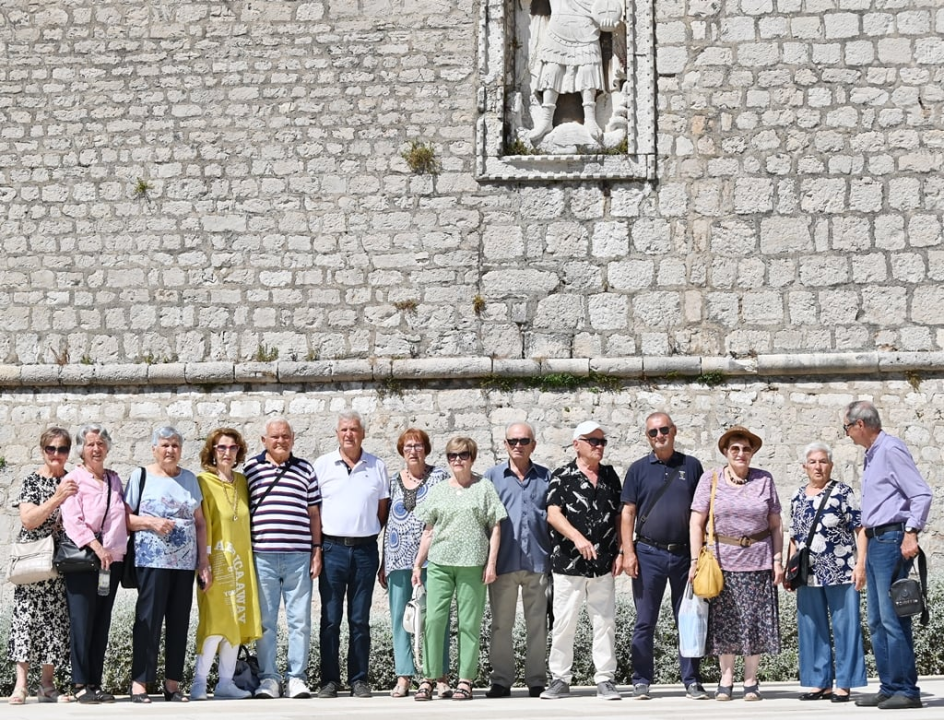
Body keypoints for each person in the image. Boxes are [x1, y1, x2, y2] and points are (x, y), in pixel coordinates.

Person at [844, 400, 932, 710]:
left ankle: (907, 690)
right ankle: (890, 686)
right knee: (878, 620)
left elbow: (921, 493)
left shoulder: (891, 449)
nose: (848, 435)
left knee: (893, 618)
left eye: (847, 428)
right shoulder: (873, 454)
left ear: (861, 425)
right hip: (878, 539)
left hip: (892, 537)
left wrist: (911, 532)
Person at [688, 425, 783, 702]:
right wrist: (695, 559)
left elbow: (776, 524)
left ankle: (751, 680)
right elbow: (696, 522)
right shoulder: (711, 478)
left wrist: (777, 559)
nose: (741, 453)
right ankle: (726, 677)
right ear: (726, 452)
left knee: (754, 622)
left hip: (758, 560)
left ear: (752, 453)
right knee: (724, 624)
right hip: (721, 563)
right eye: (735, 449)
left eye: (746, 449)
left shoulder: (764, 480)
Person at [411, 436, 507, 702]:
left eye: (463, 455)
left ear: (472, 457)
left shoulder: (484, 487)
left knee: (469, 624)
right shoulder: (439, 490)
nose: (457, 460)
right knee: (433, 621)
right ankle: (429, 678)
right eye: (452, 456)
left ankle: (465, 679)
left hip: (472, 565)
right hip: (440, 564)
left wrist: (491, 563)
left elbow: (495, 527)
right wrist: (418, 564)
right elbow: (428, 530)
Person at [621, 412, 706, 700]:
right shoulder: (638, 469)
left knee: (689, 619)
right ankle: (641, 680)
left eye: (664, 430)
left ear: (674, 430)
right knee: (645, 620)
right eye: (653, 432)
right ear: (647, 437)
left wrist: (700, 555)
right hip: (647, 554)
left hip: (684, 556)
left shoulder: (692, 466)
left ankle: (692, 680)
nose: (659, 436)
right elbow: (628, 512)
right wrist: (628, 552)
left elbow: (702, 513)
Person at [126, 426, 211, 704]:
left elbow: (200, 523)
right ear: (154, 449)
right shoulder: (141, 477)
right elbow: (125, 519)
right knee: (148, 622)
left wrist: (203, 562)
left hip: (184, 565)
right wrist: (151, 522)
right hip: (151, 562)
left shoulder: (189, 479)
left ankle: (172, 684)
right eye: (164, 445)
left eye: (175, 445)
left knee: (179, 622)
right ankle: (140, 683)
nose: (170, 450)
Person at [541, 421, 623, 701]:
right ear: (577, 444)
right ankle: (560, 679)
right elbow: (553, 514)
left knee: (605, 622)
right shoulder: (562, 475)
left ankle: (605, 679)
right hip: (568, 564)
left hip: (603, 562)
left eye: (602, 441)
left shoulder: (611, 476)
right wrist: (577, 537)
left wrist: (622, 550)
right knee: (564, 622)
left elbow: (619, 516)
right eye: (593, 441)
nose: (599, 446)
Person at [245, 418, 322, 700]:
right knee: (265, 622)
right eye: (275, 437)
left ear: (293, 438)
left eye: (285, 436)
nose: (280, 441)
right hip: (262, 555)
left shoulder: (305, 469)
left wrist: (317, 551)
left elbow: (314, 514)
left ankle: (297, 679)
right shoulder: (251, 469)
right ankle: (268, 679)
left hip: (298, 556)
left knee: (300, 620)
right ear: (263, 440)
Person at [314, 411, 389, 699]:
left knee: (359, 619)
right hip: (332, 548)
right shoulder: (323, 465)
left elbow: (382, 510)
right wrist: (318, 549)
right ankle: (329, 681)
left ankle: (359, 679)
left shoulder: (377, 466)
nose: (349, 434)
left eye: (354, 429)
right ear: (337, 433)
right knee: (330, 619)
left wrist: (366, 532)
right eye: (344, 429)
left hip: (365, 551)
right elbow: (315, 511)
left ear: (363, 434)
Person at [788, 441, 866, 703]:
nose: (818, 466)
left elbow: (860, 528)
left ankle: (845, 682)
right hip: (808, 574)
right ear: (804, 467)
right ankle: (819, 682)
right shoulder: (797, 496)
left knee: (846, 627)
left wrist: (861, 563)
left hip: (842, 570)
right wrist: (790, 569)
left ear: (831, 465)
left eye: (823, 461)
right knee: (812, 628)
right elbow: (794, 536)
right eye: (813, 462)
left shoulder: (843, 492)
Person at [378, 428, 451, 699]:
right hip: (397, 558)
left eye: (418, 445)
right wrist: (384, 561)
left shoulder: (441, 477)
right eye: (408, 446)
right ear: (401, 450)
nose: (413, 450)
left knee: (434, 617)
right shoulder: (393, 481)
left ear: (426, 448)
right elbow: (387, 523)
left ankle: (437, 676)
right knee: (401, 618)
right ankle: (404, 675)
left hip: (433, 559)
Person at [191, 428, 263, 700]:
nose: (227, 453)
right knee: (215, 621)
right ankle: (199, 681)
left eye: (232, 448)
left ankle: (225, 682)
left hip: (241, 563)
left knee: (236, 622)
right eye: (221, 447)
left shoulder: (243, 482)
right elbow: (203, 524)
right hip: (215, 562)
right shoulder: (202, 481)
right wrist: (203, 564)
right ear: (212, 450)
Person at [7, 428, 76, 705]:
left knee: (55, 622)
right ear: (42, 450)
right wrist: (58, 498)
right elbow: (28, 520)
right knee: (25, 619)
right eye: (51, 449)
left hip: (60, 562)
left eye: (62, 449)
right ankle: (20, 686)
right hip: (33, 559)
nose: (56, 455)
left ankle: (47, 685)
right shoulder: (32, 481)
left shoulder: (73, 480)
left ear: (68, 452)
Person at [60, 425, 128, 704]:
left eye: (100, 443)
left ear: (108, 448)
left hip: (111, 563)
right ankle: (78, 684)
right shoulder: (74, 478)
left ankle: (95, 683)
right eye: (90, 444)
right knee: (81, 622)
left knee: (101, 623)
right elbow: (72, 519)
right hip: (84, 561)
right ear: (81, 450)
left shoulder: (114, 479)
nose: (96, 449)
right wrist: (97, 547)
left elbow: (120, 518)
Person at [483, 422, 551, 699]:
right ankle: (501, 681)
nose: (518, 445)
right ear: (505, 444)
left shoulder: (547, 477)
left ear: (533, 444)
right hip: (503, 564)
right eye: (513, 441)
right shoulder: (492, 478)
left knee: (538, 624)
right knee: (501, 624)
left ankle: (537, 680)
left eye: (524, 440)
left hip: (538, 561)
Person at [528, 0, 623, 143]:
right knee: (552, 69)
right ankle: (546, 119)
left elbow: (608, 6)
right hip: (559, 25)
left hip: (587, 27)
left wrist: (607, 20)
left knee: (588, 69)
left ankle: (590, 119)